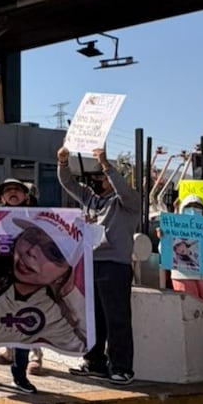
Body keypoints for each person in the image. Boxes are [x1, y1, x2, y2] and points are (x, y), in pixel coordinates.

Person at [57, 146, 140, 385]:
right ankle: (94, 362)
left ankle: (122, 367)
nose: (95, 180)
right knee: (92, 318)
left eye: (100, 176)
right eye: (93, 176)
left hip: (115, 265)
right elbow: (68, 184)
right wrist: (62, 162)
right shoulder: (90, 199)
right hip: (90, 263)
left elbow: (123, 189)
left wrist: (106, 165)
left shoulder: (127, 202)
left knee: (117, 318)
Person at [0, 214, 88, 355]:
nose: (32, 251)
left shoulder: (54, 315)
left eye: (53, 252)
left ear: (67, 272)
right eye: (30, 238)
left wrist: (69, 292)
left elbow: (83, 344)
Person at [0, 178, 43, 391]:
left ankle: (20, 376)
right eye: (8, 190)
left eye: (17, 190)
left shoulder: (36, 218)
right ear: (1, 196)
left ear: (26, 195)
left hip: (24, 283)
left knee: (22, 329)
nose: (13, 193)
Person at [164, 195, 203, 312]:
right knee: (188, 312)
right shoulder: (173, 229)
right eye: (189, 206)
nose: (193, 210)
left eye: (197, 207)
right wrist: (164, 238)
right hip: (183, 276)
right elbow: (164, 251)